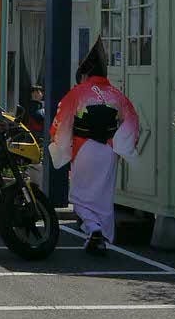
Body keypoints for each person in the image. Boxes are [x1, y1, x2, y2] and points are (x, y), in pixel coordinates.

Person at [48, 40, 140, 255]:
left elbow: (61, 121)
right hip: (108, 149)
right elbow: (132, 121)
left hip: (84, 148)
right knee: (104, 197)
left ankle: (93, 228)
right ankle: (101, 237)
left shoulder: (78, 93)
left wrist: (60, 145)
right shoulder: (117, 95)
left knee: (79, 195)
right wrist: (123, 146)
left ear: (85, 74)